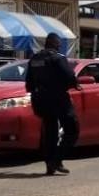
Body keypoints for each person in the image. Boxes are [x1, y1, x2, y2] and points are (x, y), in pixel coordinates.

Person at [25, 33, 80, 176]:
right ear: (55, 43)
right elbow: (69, 76)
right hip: (58, 98)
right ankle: (57, 159)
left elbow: (28, 83)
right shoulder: (58, 58)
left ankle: (50, 163)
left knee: (50, 131)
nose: (60, 45)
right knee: (72, 129)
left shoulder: (34, 59)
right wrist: (74, 85)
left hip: (40, 99)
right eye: (59, 43)